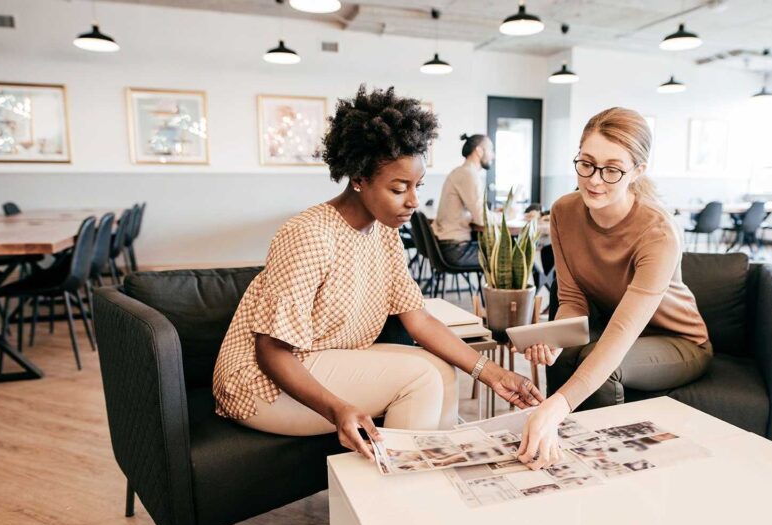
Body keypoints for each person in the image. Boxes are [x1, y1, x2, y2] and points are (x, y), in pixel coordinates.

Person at [212, 86, 542, 461]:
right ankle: (393, 494)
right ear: (358, 177)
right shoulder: (309, 234)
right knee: (419, 380)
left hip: (325, 358)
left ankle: (430, 480)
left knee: (442, 371)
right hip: (260, 384)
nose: (413, 202)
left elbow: (418, 318)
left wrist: (491, 372)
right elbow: (271, 351)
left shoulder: (385, 234)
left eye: (418, 187)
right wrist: (338, 409)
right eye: (399, 188)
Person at [515, 107, 712, 470]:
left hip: (679, 341)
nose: (594, 180)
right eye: (586, 164)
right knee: (571, 356)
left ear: (638, 170)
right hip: (615, 328)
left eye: (612, 169)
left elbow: (622, 333)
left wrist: (557, 405)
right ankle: (554, 454)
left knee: (597, 363)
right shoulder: (564, 212)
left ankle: (600, 468)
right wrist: (556, 341)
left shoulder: (657, 232)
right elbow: (572, 300)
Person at [431, 133, 495, 267]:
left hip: (446, 244)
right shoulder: (469, 174)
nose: (493, 155)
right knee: (507, 255)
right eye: (491, 150)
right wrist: (507, 216)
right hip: (455, 249)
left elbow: (470, 212)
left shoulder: (461, 171)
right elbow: (482, 219)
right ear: (479, 150)